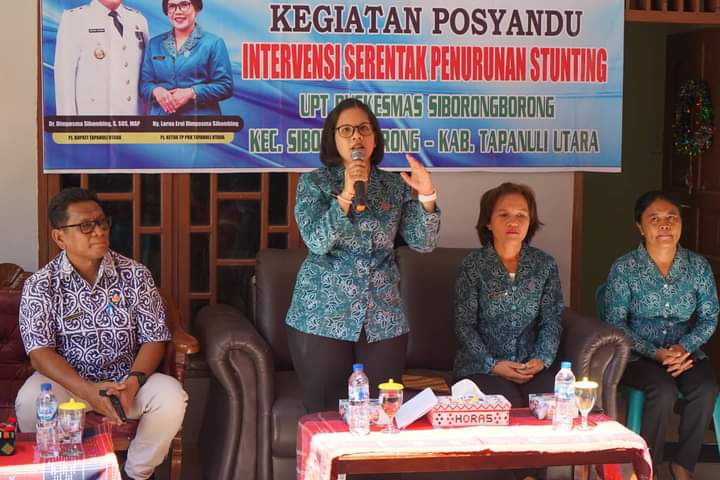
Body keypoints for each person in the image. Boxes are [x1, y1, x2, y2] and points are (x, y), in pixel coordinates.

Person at [15, 188, 187, 480]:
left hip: (127, 381)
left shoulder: (135, 274)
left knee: (170, 396)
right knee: (31, 400)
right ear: (60, 237)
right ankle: (59, 472)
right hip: (69, 385)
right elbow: (39, 352)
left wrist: (132, 384)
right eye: (85, 225)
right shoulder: (41, 284)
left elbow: (154, 337)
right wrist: (89, 392)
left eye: (102, 222)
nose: (99, 231)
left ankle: (135, 474)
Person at [285, 98, 441, 412]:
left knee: (382, 411)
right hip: (322, 315)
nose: (356, 136)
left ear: (374, 137)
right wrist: (346, 194)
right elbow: (317, 241)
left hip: (382, 317)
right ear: (333, 138)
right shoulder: (314, 183)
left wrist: (427, 195)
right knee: (327, 413)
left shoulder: (394, 185)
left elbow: (423, 243)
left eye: (363, 129)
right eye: (346, 130)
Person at [603, 190, 718, 480]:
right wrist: (654, 352)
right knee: (662, 391)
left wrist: (684, 347)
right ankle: (647, 467)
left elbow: (709, 316)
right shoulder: (624, 268)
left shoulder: (698, 267)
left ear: (681, 223)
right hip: (638, 356)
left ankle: (683, 464)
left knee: (705, 387)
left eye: (671, 217)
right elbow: (615, 323)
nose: (665, 224)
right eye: (654, 219)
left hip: (684, 353)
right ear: (640, 227)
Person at [454, 183, 564, 407]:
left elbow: (552, 319)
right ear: (488, 222)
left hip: (531, 368)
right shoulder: (472, 265)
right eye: (503, 214)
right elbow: (464, 326)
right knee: (506, 407)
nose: (513, 222)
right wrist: (492, 364)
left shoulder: (544, 265)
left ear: (530, 222)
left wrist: (541, 359)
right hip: (481, 368)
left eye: (521, 215)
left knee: (555, 406)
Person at [54, 0, 148, 115]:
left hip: (134, 117)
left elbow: (147, 73)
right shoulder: (74, 19)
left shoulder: (138, 20)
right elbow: (65, 79)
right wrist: (68, 124)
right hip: (94, 118)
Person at [140, 0, 233, 115]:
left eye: (184, 5)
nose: (178, 11)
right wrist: (156, 90)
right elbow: (144, 85)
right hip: (162, 120)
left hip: (200, 121)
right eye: (172, 6)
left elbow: (225, 86)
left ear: (197, 8)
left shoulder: (213, 43)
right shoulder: (154, 44)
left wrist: (192, 92)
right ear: (166, 11)